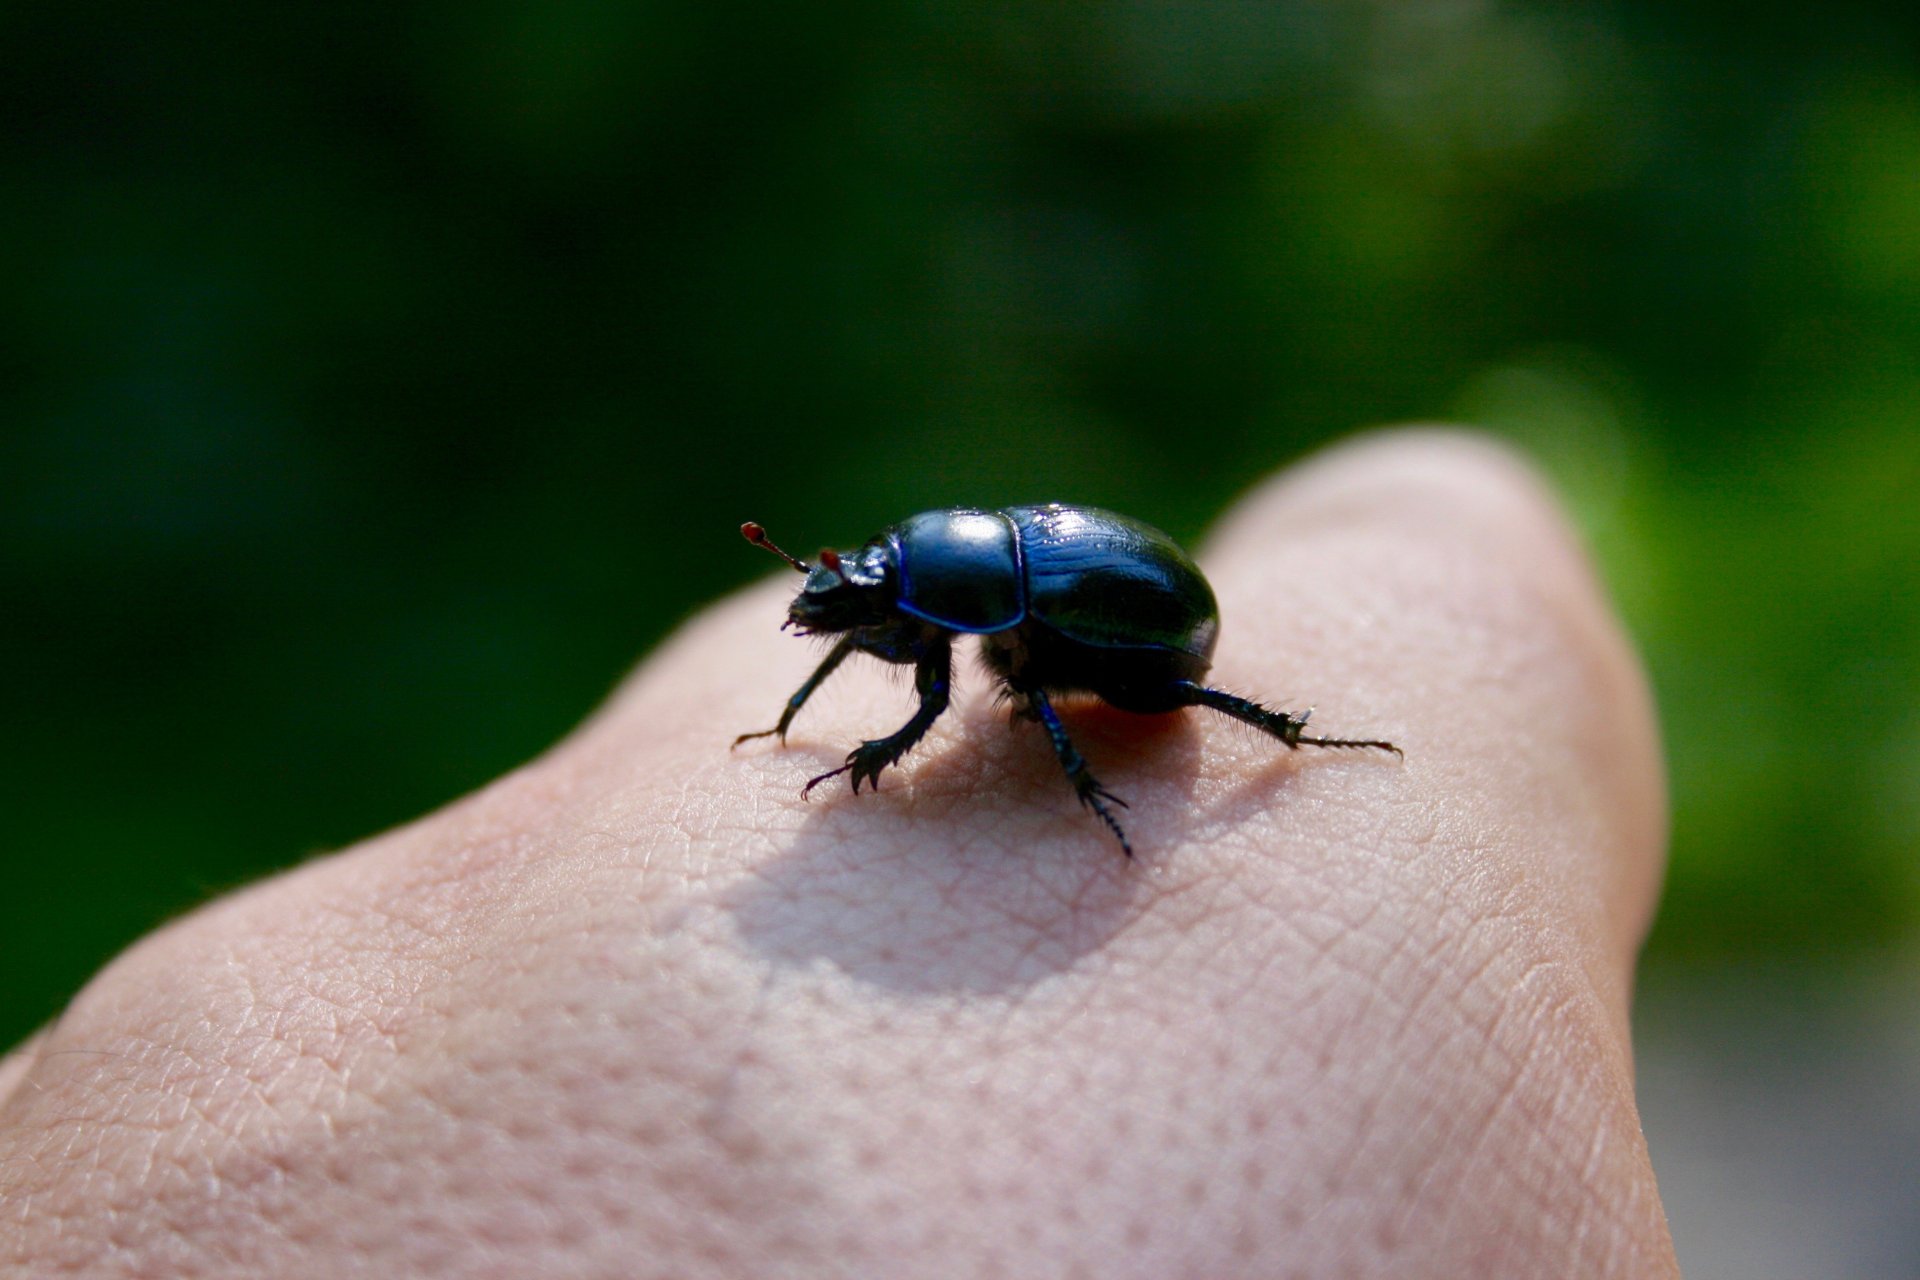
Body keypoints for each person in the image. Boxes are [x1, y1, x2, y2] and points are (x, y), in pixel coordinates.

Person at [0, 432, 1677, 1277]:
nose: (852, 607)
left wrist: (1052, 791)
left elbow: (1055, 679)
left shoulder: (1012, 623)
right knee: (993, 710)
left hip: (1147, 628)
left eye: (871, 597)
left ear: (935, 591)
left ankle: (1292, 751)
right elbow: (896, 658)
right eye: (851, 594)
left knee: (1081, 708)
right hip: (1043, 595)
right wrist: (830, 717)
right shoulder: (940, 594)